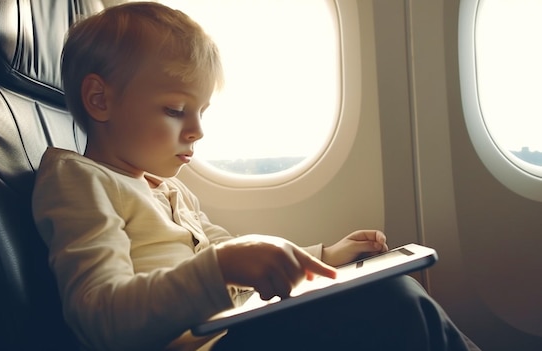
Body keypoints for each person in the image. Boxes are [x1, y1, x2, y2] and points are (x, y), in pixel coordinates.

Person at [31, 2, 481, 351]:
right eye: (175, 110)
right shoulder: (79, 181)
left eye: (202, 112)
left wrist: (324, 257)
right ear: (99, 99)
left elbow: (238, 267)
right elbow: (100, 316)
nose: (198, 130)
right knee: (391, 305)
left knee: (386, 287)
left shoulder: (171, 190)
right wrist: (220, 267)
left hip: (233, 330)